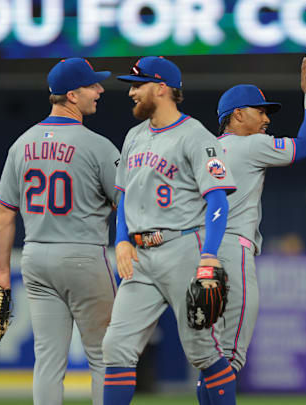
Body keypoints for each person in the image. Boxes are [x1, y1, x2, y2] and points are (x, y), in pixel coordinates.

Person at [101, 56, 238, 405]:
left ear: (161, 88)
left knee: (203, 351)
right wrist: (119, 242)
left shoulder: (197, 136)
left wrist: (209, 254)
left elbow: (218, 200)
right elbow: (124, 198)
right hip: (140, 256)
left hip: (183, 249)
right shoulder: (133, 137)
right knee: (116, 347)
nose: (131, 92)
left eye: (138, 85)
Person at [193, 53, 306, 403]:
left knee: (211, 358)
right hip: (231, 251)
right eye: (260, 110)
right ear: (237, 115)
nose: (266, 119)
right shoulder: (250, 144)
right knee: (230, 359)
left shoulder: (202, 149)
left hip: (196, 253)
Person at [0, 58, 120, 405]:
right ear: (73, 95)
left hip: (35, 257)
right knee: (104, 357)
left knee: (47, 359)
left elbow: (4, 212)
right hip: (82, 254)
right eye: (93, 85)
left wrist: (2, 270)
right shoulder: (97, 145)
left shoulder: (21, 144)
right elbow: (127, 203)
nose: (100, 90)